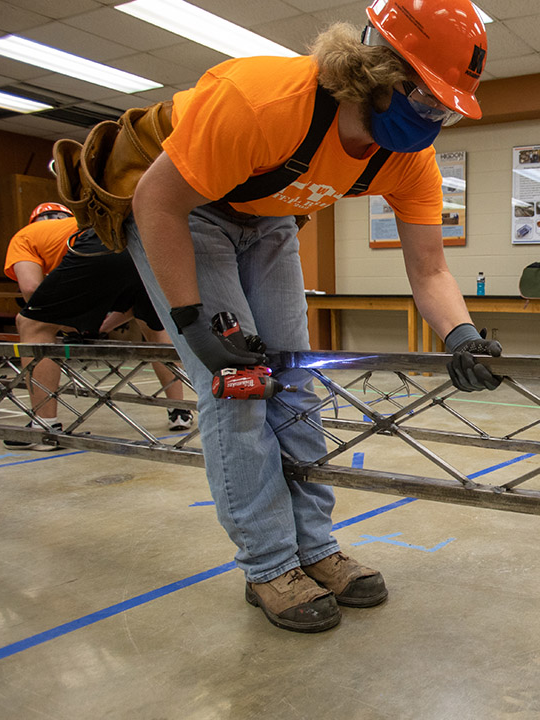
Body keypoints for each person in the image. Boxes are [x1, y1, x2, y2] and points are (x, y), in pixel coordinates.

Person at [122, 0, 497, 633]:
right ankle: (268, 565)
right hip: (184, 214)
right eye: (426, 99)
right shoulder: (260, 102)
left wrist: (462, 334)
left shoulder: (406, 158)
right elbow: (155, 200)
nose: (432, 119)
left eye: (445, 109)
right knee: (240, 389)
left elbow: (430, 269)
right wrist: (190, 323)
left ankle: (316, 548)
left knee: (294, 382)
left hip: (267, 219)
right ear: (377, 67)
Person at [3, 207, 192, 452]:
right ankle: (179, 410)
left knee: (31, 323)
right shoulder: (71, 226)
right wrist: (99, 326)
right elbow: (129, 303)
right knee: (154, 330)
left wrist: (68, 324)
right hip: (145, 245)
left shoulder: (25, 235)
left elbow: (31, 289)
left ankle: (43, 426)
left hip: (99, 244)